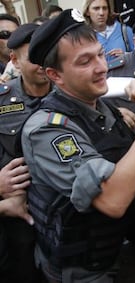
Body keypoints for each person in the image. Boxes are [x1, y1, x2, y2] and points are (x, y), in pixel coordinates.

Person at [23, 8, 135, 282]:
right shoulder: (47, 129)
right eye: (85, 61)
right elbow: (113, 200)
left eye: (100, 54)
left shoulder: (109, 113)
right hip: (81, 272)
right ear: (55, 75)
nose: (102, 67)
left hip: (122, 254)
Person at [0, 22, 51, 283]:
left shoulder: (72, 93)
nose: (42, 63)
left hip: (61, 208)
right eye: (33, 56)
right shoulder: (1, 101)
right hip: (20, 212)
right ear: (15, 61)